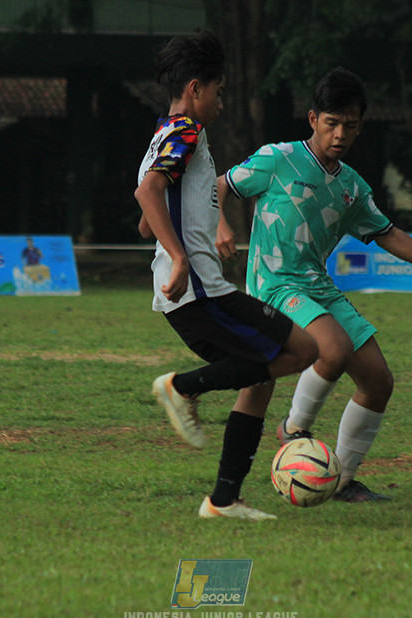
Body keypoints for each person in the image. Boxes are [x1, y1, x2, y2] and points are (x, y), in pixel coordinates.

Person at [217, 67, 412, 503]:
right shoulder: (278, 159)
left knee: (378, 381)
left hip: (316, 286)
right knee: (334, 349)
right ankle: (293, 429)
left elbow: (387, 233)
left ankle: (340, 481)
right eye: (331, 123)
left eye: (350, 124)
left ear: (360, 126)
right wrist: (220, 225)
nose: (340, 133)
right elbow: (220, 186)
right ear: (313, 119)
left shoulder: (351, 187)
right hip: (274, 284)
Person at [134, 30, 318, 521]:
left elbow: (147, 210)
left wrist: (186, 224)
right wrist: (178, 256)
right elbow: (147, 196)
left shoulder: (168, 132)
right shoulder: (186, 131)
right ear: (196, 89)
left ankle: (223, 501)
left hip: (194, 295)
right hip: (200, 293)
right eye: (218, 91)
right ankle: (182, 386)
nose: (221, 101)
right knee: (304, 350)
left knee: (261, 377)